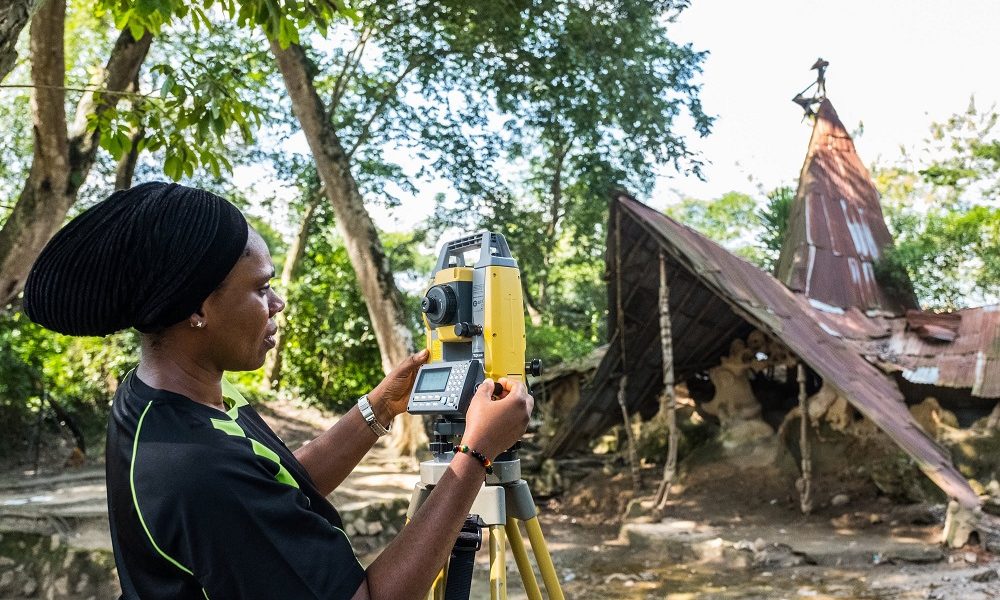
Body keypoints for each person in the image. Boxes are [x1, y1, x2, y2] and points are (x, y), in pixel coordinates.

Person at [23, 182, 533, 599]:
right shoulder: (197, 470)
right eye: (260, 288)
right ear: (197, 309)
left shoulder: (163, 399)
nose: (279, 302)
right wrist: (475, 454)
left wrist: (378, 408)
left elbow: (280, 486)